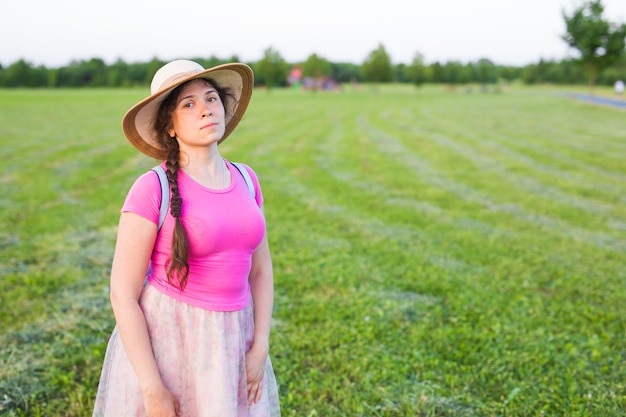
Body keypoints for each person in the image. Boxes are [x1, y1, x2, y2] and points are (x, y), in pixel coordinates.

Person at [92, 60, 281, 417]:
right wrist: (152, 387)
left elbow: (260, 271)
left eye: (211, 98)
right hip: (175, 340)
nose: (206, 109)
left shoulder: (246, 179)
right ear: (170, 126)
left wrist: (260, 346)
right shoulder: (152, 189)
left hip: (234, 336)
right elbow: (122, 293)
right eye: (188, 104)